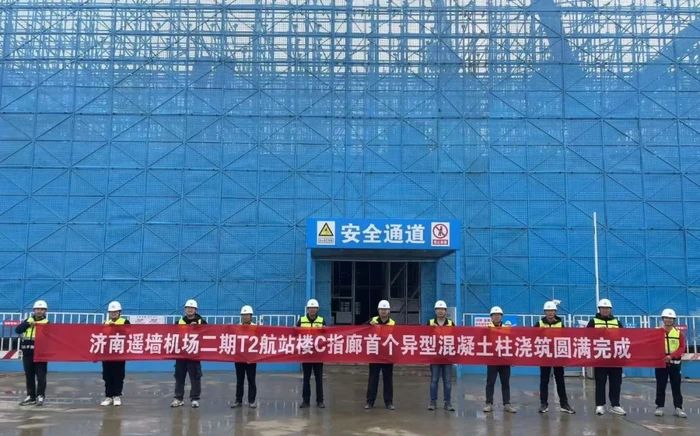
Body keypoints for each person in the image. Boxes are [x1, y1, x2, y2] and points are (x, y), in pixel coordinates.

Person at [587, 298, 626, 416]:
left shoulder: (617, 322)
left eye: (607, 308)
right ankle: (600, 405)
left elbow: (624, 337)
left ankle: (615, 404)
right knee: (600, 381)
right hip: (600, 357)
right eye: (603, 308)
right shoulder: (593, 322)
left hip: (615, 358)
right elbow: (587, 337)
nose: (605, 310)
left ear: (610, 309)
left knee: (616, 382)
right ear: (599, 309)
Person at [535, 301, 575, 414]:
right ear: (544, 312)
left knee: (560, 380)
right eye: (548, 311)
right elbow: (532, 338)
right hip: (544, 355)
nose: (550, 313)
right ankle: (544, 404)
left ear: (555, 312)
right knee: (544, 380)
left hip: (558, 356)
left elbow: (566, 339)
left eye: (552, 311)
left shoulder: (560, 324)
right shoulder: (539, 324)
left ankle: (564, 404)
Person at [171, 299, 206, 408]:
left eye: (192, 308)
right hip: (181, 355)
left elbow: (207, 336)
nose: (190, 309)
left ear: (196, 310)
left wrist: (198, 329)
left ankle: (194, 399)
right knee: (179, 377)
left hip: (194, 355)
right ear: (185, 309)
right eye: (188, 308)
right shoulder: (179, 322)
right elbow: (173, 336)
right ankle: (178, 398)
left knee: (195, 377)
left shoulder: (202, 322)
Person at [15, 300, 49, 406]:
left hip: (41, 354)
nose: (39, 311)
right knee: (29, 376)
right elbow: (18, 330)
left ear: (45, 311)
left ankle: (40, 396)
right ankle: (31, 397)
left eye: (42, 309)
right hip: (27, 353)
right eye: (37, 309)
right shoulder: (28, 320)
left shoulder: (47, 323)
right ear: (34, 310)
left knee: (41, 376)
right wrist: (28, 323)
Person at [654, 308, 687, 418]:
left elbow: (682, 347)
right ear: (663, 319)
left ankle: (678, 408)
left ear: (674, 320)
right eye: (666, 318)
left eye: (671, 318)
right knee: (660, 385)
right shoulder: (657, 332)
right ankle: (659, 406)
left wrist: (671, 356)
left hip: (675, 363)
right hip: (661, 363)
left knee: (676, 386)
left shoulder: (678, 333)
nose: (668, 320)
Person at [483, 306, 516, 413]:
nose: (496, 316)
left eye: (498, 315)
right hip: (492, 360)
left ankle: (507, 404)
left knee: (505, 383)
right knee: (490, 382)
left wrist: (512, 358)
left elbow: (511, 343)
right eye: (494, 315)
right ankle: (489, 403)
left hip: (504, 360)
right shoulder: (486, 329)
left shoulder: (507, 328)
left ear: (502, 316)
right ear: (491, 317)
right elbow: (481, 342)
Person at [365, 300, 396, 410]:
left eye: (385, 309)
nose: (383, 311)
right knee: (373, 379)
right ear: (378, 310)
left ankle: (389, 402)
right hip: (375, 354)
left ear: (389, 311)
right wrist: (369, 325)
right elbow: (361, 330)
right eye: (382, 309)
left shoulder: (393, 323)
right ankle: (370, 402)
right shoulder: (372, 321)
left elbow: (397, 338)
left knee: (388, 379)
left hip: (387, 355)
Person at [297, 298, 326, 408]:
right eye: (310, 308)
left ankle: (320, 401)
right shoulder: (301, 320)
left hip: (318, 355)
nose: (312, 310)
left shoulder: (321, 321)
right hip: (306, 354)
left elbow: (326, 336)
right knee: (306, 379)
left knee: (319, 379)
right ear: (307, 309)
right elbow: (295, 335)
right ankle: (305, 401)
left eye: (314, 308)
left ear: (317, 309)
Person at [101, 301, 130, 406]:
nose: (113, 313)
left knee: (118, 374)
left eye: (115, 311)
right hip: (107, 353)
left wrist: (117, 328)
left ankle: (117, 395)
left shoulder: (125, 322)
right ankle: (108, 396)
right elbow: (102, 336)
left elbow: (128, 334)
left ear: (119, 312)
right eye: (111, 312)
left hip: (119, 353)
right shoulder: (105, 323)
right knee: (107, 375)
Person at [427, 300, 455, 411]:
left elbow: (455, 339)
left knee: (447, 381)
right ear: (435, 311)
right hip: (435, 357)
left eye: (442, 309)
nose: (440, 311)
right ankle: (433, 402)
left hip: (447, 357)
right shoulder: (430, 323)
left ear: (445, 311)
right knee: (434, 380)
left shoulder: (451, 323)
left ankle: (447, 403)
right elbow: (424, 338)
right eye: (438, 309)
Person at [231, 305, 258, 409]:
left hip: (251, 358)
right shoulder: (236, 327)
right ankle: (238, 400)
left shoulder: (256, 327)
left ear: (251, 316)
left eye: (247, 315)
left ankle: (252, 401)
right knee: (239, 380)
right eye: (243, 315)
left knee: (251, 380)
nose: (245, 317)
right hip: (239, 358)